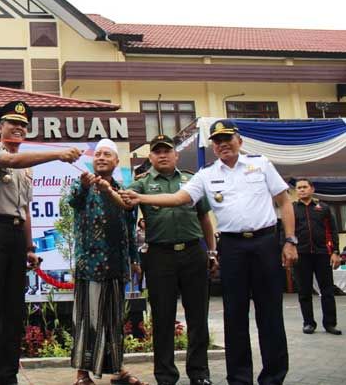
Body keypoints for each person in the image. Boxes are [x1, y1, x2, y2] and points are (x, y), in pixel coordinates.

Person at [121, 120, 298, 385]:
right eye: (217, 140)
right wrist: (141, 198)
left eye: (227, 138)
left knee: (270, 313)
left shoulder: (260, 164)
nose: (223, 144)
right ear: (212, 146)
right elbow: (179, 199)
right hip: (232, 247)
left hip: (265, 243)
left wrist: (290, 240)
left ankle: (273, 377)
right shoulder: (205, 175)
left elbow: (284, 202)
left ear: (240, 141)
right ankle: (239, 379)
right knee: (234, 315)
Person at [0, 100, 82, 385]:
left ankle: (8, 376)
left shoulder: (27, 170)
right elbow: (11, 161)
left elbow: (25, 209)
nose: (18, 128)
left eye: (23, 125)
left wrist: (30, 247)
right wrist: (57, 154)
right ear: (0, 127)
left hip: (15, 236)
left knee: (13, 311)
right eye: (12, 123)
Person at [126, 134, 217, 385]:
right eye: (157, 152)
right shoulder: (141, 184)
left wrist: (212, 251)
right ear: (151, 157)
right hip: (159, 256)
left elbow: (205, 219)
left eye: (167, 151)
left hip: (193, 253)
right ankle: (165, 376)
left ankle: (199, 374)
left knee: (198, 317)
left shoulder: (191, 180)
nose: (163, 155)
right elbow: (122, 201)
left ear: (176, 155)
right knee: (163, 318)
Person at [68, 139, 146, 385]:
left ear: (116, 162)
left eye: (107, 155)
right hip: (89, 266)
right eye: (98, 154)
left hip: (116, 265)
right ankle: (82, 374)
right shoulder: (82, 184)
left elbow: (129, 228)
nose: (101, 157)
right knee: (87, 319)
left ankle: (118, 371)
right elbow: (73, 202)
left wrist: (134, 259)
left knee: (113, 321)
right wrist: (83, 187)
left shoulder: (123, 190)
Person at [292, 178, 341, 335]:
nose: (301, 190)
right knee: (304, 291)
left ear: (312, 189)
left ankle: (330, 324)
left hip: (322, 254)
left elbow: (333, 231)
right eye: (299, 188)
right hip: (301, 255)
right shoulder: (292, 209)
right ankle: (308, 323)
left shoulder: (323, 208)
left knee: (327, 291)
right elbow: (284, 232)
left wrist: (335, 252)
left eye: (305, 187)